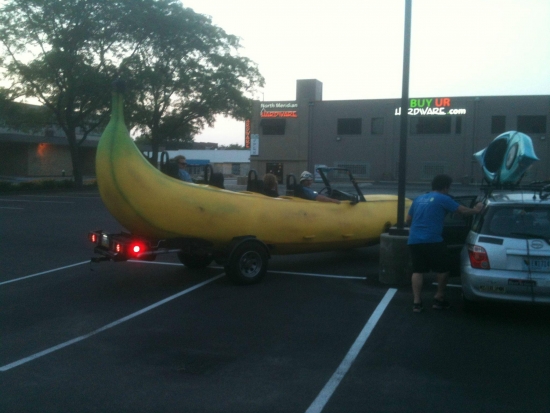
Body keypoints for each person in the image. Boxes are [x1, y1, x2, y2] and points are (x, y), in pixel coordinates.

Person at [406, 174, 483, 313]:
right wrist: (477, 210)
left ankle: (417, 302)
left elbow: (408, 219)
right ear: (446, 187)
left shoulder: (418, 199)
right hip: (433, 240)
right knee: (443, 269)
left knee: (418, 270)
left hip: (414, 240)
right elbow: (463, 211)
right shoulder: (443, 198)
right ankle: (438, 298)